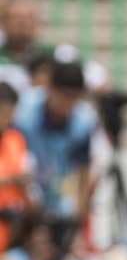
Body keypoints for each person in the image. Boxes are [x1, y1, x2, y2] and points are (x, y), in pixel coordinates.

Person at [15, 60, 97, 225]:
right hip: (20, 191)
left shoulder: (84, 121)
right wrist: (27, 194)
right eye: (64, 95)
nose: (68, 103)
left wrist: (79, 210)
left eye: (75, 97)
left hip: (56, 195)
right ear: (49, 88)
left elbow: (84, 168)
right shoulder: (23, 112)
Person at [0, 83, 32, 251]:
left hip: (14, 230)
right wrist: (10, 180)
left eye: (10, 113)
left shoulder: (15, 139)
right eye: (3, 112)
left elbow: (24, 174)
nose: (7, 118)